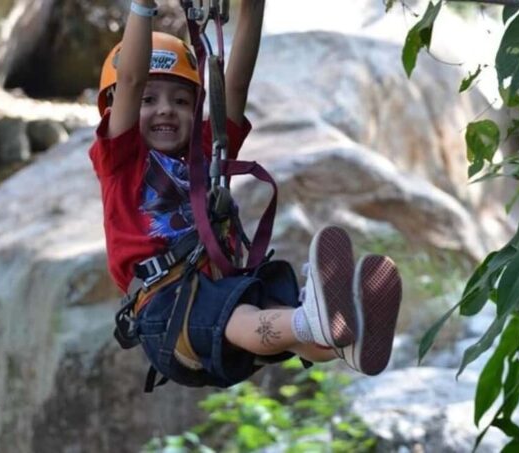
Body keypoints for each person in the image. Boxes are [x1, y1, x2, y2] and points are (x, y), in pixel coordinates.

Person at [89, 0, 402, 390]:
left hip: (218, 291)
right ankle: (315, 318)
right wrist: (143, 7)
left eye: (182, 101)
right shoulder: (121, 159)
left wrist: (252, 10)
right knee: (243, 315)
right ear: (119, 106)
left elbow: (234, 85)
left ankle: (343, 341)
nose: (166, 110)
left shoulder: (205, 151)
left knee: (271, 302)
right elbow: (131, 78)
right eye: (149, 101)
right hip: (167, 310)